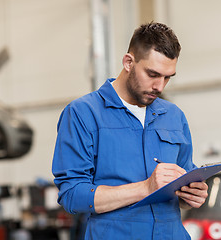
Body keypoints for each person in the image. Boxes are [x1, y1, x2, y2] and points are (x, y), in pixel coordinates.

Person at [52, 22, 208, 240]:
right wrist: (145, 188)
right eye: (153, 74)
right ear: (128, 62)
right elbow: (72, 195)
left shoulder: (174, 116)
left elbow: (181, 182)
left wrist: (191, 195)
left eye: (167, 77)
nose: (160, 86)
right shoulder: (83, 113)